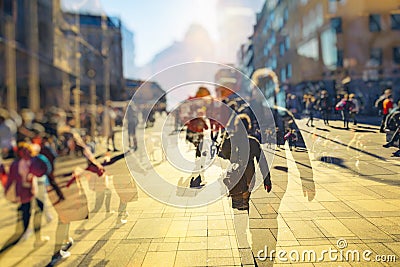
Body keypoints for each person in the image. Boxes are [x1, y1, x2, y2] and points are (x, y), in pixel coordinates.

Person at [1, 143, 50, 254]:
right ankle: (24, 233)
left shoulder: (33, 161)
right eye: (22, 151)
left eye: (27, 150)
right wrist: (8, 192)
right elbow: (10, 180)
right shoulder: (16, 164)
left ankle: (36, 237)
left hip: (33, 190)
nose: (25, 153)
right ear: (19, 153)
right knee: (26, 214)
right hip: (23, 193)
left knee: (38, 210)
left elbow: (41, 172)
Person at [218, 113, 272, 211]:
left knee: (237, 200)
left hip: (234, 174)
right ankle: (244, 203)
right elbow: (262, 162)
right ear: (248, 127)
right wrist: (267, 180)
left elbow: (223, 151)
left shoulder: (231, 139)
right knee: (245, 199)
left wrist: (232, 158)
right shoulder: (253, 142)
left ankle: (239, 206)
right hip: (249, 175)